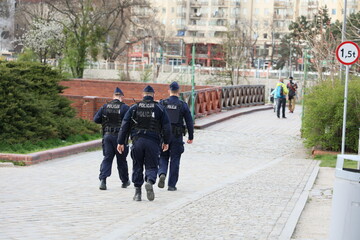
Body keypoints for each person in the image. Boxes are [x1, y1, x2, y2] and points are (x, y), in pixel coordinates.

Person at [117, 85, 171, 201]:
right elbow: (167, 127)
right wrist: (166, 141)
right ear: (153, 95)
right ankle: (150, 181)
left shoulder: (134, 108)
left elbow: (124, 126)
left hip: (137, 141)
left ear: (143, 95)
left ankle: (137, 193)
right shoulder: (160, 108)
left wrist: (121, 142)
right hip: (153, 141)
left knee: (137, 165)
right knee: (152, 165)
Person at [158, 82, 194, 191]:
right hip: (177, 136)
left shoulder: (162, 103)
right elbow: (189, 122)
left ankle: (162, 173)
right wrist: (190, 136)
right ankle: (171, 185)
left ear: (169, 91)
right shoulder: (183, 105)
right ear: (178, 91)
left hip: (164, 136)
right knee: (175, 160)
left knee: (163, 156)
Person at [94, 87, 130, 190]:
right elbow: (129, 123)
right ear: (121, 97)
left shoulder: (105, 107)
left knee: (107, 158)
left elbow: (96, 119)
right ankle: (124, 181)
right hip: (120, 138)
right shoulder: (125, 108)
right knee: (121, 160)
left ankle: (103, 180)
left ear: (113, 96)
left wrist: (105, 122)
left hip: (108, 136)